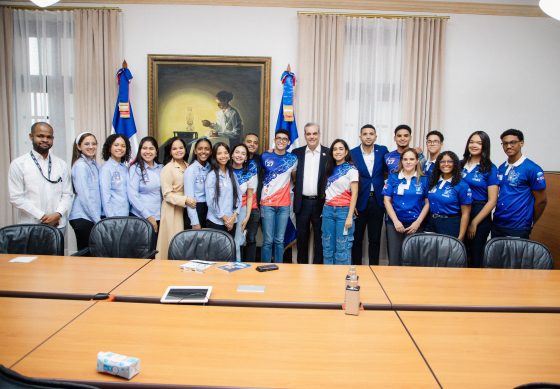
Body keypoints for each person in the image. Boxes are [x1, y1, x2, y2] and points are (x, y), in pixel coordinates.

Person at [9, 122, 73, 230]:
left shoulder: (61, 164)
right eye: (40, 136)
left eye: (49, 137)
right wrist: (42, 216)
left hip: (58, 225)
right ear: (31, 136)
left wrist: (58, 214)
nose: (45, 140)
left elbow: (67, 194)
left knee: (57, 248)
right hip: (30, 226)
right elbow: (16, 197)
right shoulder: (19, 164)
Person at [493, 129, 547, 239]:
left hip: (518, 226)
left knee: (515, 257)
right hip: (498, 223)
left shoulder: (532, 168)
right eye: (505, 143)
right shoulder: (501, 167)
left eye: (512, 142)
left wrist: (530, 221)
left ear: (521, 143)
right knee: (495, 256)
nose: (508, 146)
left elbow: (542, 201)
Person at [383, 148, 430, 265]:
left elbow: (428, 203)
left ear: (417, 161)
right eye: (405, 159)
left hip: (415, 224)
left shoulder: (424, 179)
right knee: (394, 260)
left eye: (411, 159)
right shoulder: (393, 177)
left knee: (413, 260)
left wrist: (418, 222)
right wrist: (395, 221)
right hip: (395, 224)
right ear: (401, 161)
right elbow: (386, 200)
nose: (408, 162)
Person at [350, 124, 388, 265]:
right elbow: (348, 178)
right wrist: (351, 203)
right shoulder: (352, 153)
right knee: (357, 239)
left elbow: (391, 169)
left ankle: (374, 269)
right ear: (360, 136)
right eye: (365, 134)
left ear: (375, 136)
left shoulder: (383, 151)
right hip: (359, 201)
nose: (368, 136)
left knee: (375, 238)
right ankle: (357, 268)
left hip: (378, 201)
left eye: (371, 133)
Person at [292, 122, 329, 264]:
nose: (312, 136)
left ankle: (318, 269)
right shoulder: (297, 153)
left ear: (319, 134)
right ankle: (301, 269)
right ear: (305, 135)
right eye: (308, 134)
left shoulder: (329, 153)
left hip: (321, 203)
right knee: (302, 238)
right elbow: (292, 175)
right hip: (302, 202)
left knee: (321, 239)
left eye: (315, 133)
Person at [461, 131, 498, 267]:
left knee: (476, 255)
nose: (474, 145)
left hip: (479, 213)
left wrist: (474, 222)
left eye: (479, 143)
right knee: (459, 252)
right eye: (471, 142)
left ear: (485, 146)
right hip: (461, 211)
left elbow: (492, 200)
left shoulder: (490, 168)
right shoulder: (460, 164)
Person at [260, 129, 298, 263]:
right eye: (278, 138)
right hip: (267, 204)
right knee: (268, 241)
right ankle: (265, 267)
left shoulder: (292, 158)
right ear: (274, 140)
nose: (281, 141)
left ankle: (279, 269)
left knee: (279, 240)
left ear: (288, 142)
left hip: (284, 205)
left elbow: (294, 179)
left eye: (284, 139)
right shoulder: (265, 156)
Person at [156, 137, 196, 259]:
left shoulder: (188, 166)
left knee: (186, 243)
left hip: (187, 208)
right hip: (172, 210)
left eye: (181, 147)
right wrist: (185, 200)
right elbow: (166, 194)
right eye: (174, 148)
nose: (178, 150)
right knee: (173, 243)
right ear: (170, 151)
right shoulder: (167, 169)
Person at [321, 139, 359, 265]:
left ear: (346, 151)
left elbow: (355, 194)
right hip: (328, 211)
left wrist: (349, 217)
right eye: (335, 149)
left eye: (341, 148)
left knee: (342, 247)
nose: (338, 151)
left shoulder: (351, 169)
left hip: (344, 212)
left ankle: (341, 280)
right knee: (327, 246)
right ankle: (328, 280)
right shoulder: (329, 168)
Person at [427, 151, 472, 240]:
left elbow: (465, 214)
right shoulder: (434, 182)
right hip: (431, 222)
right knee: (430, 252)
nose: (446, 164)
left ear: (455, 164)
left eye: (450, 161)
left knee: (446, 253)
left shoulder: (462, 185)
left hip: (450, 224)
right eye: (442, 161)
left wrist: (461, 236)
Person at [68, 132, 102, 250]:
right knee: (86, 256)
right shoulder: (81, 166)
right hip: (83, 217)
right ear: (79, 146)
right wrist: (97, 220)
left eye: (94, 143)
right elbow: (85, 197)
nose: (91, 146)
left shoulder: (93, 164)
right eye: (86, 144)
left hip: (90, 216)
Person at [205, 142, 241, 236]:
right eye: (219, 153)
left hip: (232, 221)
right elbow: (211, 201)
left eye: (225, 153)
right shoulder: (211, 176)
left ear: (229, 155)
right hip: (216, 222)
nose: (223, 156)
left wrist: (234, 216)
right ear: (215, 156)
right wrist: (225, 219)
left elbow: (239, 196)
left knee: (229, 249)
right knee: (216, 250)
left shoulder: (232, 174)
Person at [128, 136, 162, 234]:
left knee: (156, 248)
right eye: (144, 148)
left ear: (156, 151)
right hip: (141, 217)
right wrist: (148, 216)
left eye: (151, 148)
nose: (148, 151)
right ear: (140, 150)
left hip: (159, 216)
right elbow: (132, 196)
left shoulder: (161, 168)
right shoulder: (135, 168)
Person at [232, 143, 257, 260]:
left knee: (237, 242)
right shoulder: (225, 170)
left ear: (246, 158)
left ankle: (236, 268)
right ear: (231, 155)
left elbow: (250, 196)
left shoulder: (249, 174)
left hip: (242, 210)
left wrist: (247, 216)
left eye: (243, 154)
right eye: (237, 152)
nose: (239, 155)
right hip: (224, 210)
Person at [184, 138, 212, 230]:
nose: (203, 151)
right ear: (195, 151)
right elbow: (189, 199)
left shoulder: (210, 168)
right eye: (200, 149)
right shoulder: (191, 170)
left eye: (207, 149)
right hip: (196, 209)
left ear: (211, 151)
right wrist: (194, 221)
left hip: (208, 210)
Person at [100, 134, 131, 217]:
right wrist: (111, 218)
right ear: (109, 148)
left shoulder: (125, 168)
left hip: (126, 214)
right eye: (116, 145)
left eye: (123, 146)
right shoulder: (106, 168)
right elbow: (105, 196)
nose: (120, 148)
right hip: (112, 216)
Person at [243, 132, 262, 261]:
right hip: (239, 206)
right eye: (249, 141)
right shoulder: (236, 158)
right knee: (237, 238)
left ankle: (249, 265)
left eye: (255, 142)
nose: (252, 144)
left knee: (251, 238)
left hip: (254, 206)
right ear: (244, 142)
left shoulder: (260, 160)